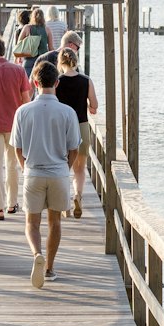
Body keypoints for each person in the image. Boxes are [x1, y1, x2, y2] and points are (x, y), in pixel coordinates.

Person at [10, 60, 80, 287]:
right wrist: (65, 168)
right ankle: (49, 268)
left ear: (34, 82)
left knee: (31, 223)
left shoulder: (22, 111)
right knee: (55, 222)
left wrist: (24, 167)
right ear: (57, 83)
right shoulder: (67, 112)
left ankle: (35, 255)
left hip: (33, 172)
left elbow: (17, 147)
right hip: (59, 172)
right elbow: (74, 148)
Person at [0, 37, 30, 220]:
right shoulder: (19, 70)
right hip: (15, 126)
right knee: (13, 165)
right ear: (3, 50)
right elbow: (26, 100)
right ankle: (12, 204)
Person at [56, 46, 98, 219]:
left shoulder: (57, 81)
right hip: (81, 127)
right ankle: (78, 196)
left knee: (63, 168)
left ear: (60, 62)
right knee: (79, 169)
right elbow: (94, 107)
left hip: (62, 129)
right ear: (75, 61)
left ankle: (65, 205)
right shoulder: (86, 80)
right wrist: (86, 106)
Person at [20, 7, 50, 77]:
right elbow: (51, 48)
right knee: (41, 82)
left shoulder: (27, 27)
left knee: (27, 84)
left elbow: (19, 43)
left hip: (28, 60)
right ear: (43, 17)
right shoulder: (47, 29)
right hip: (43, 60)